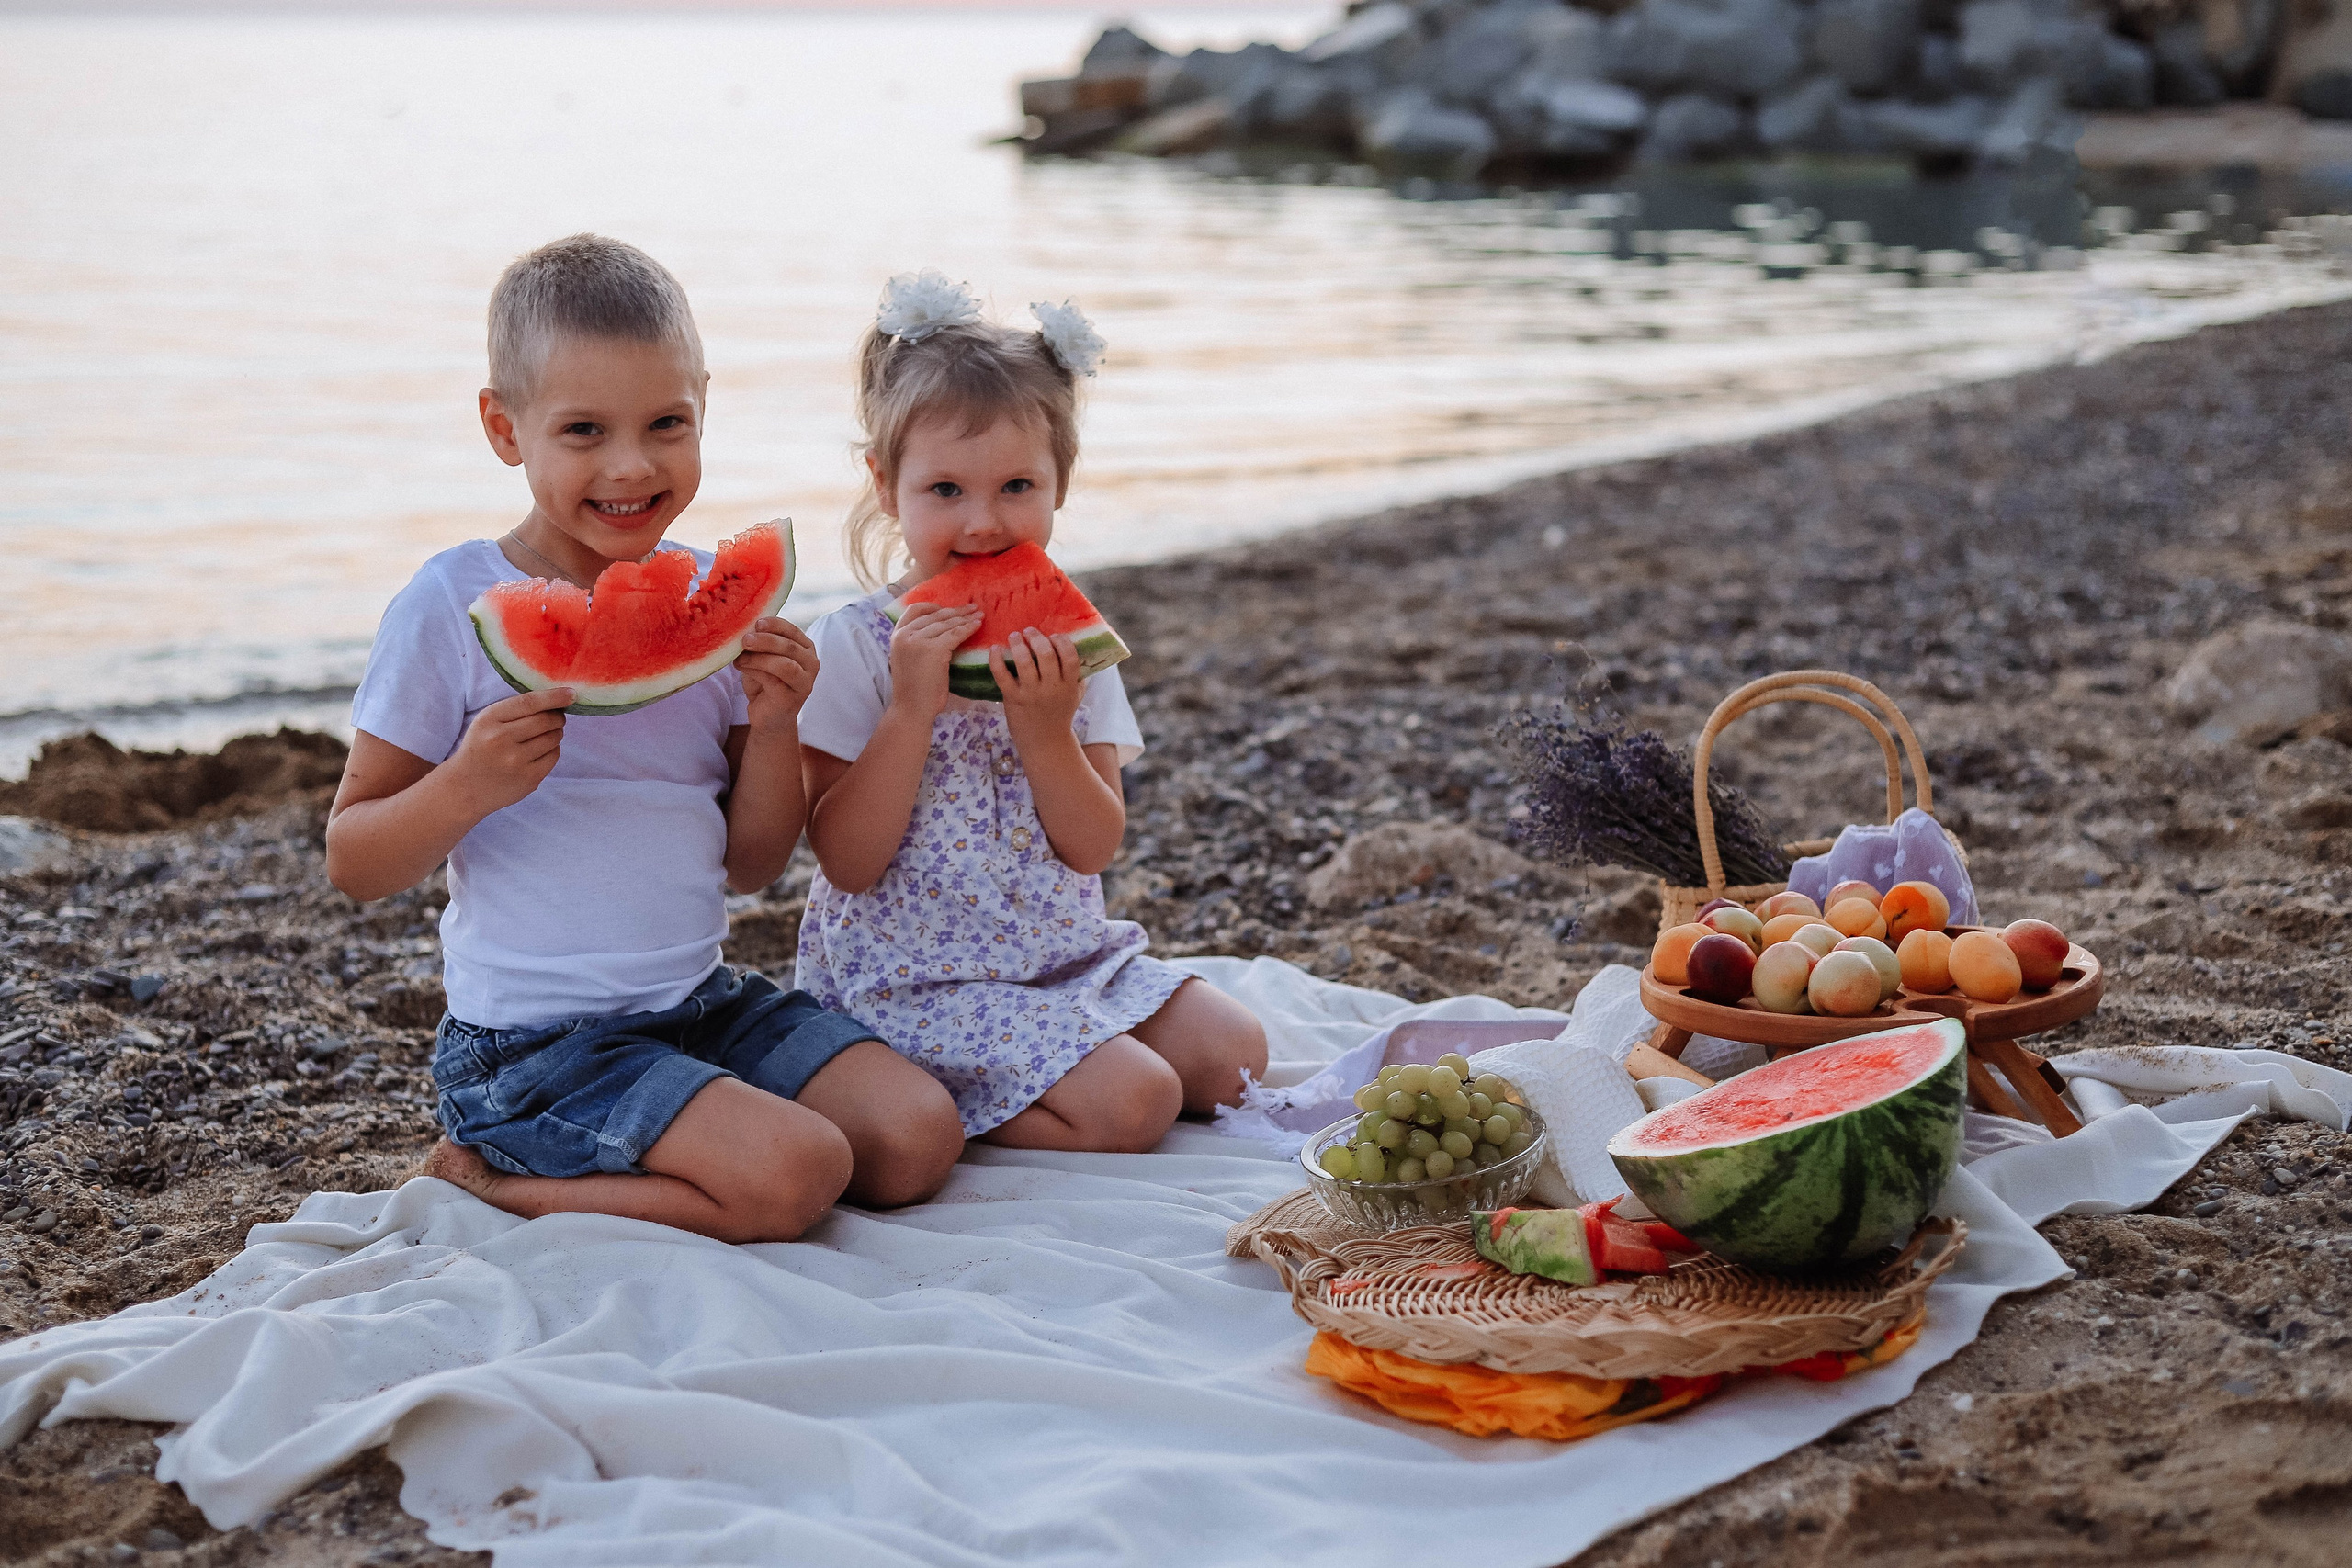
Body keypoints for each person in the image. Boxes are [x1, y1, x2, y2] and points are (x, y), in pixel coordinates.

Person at [323, 235, 965, 1242]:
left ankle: (705, 1136)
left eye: (667, 423)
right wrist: (466, 785)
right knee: (802, 1173)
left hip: (699, 1004)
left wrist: (776, 720)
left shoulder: (715, 605)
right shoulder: (447, 607)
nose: (631, 465)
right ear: (503, 427)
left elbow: (752, 866)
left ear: (704, 403)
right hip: (535, 1050)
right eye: (583, 430)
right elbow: (355, 860)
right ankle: (485, 1178)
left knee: (918, 1136)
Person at [793, 272, 1268, 1152]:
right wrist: (909, 710)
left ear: (1061, 482)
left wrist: (1047, 729)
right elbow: (848, 862)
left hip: (1067, 962)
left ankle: (1052, 1061)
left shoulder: (1072, 650)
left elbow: (1094, 845)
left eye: (1017, 485)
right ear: (885, 483)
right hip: (917, 981)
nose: (983, 522)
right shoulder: (855, 645)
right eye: (946, 490)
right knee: (1138, 1103)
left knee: (1235, 1055)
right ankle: (947, 1092)